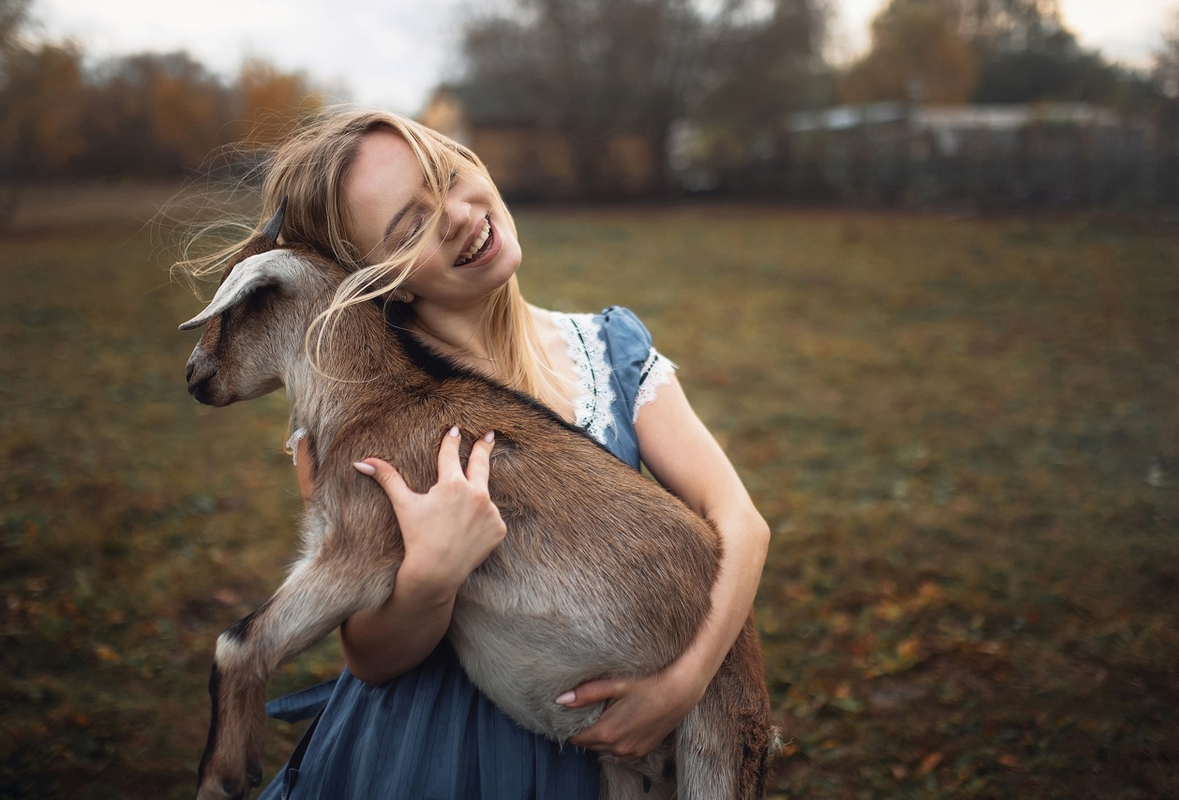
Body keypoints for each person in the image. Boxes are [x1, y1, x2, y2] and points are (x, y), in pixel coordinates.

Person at [193, 108, 770, 799]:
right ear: (381, 282)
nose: (458, 216)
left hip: (619, 746)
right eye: (408, 226)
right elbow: (370, 658)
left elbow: (740, 520)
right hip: (431, 756)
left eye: (450, 176)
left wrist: (685, 685)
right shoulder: (354, 430)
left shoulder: (609, 354)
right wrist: (432, 574)